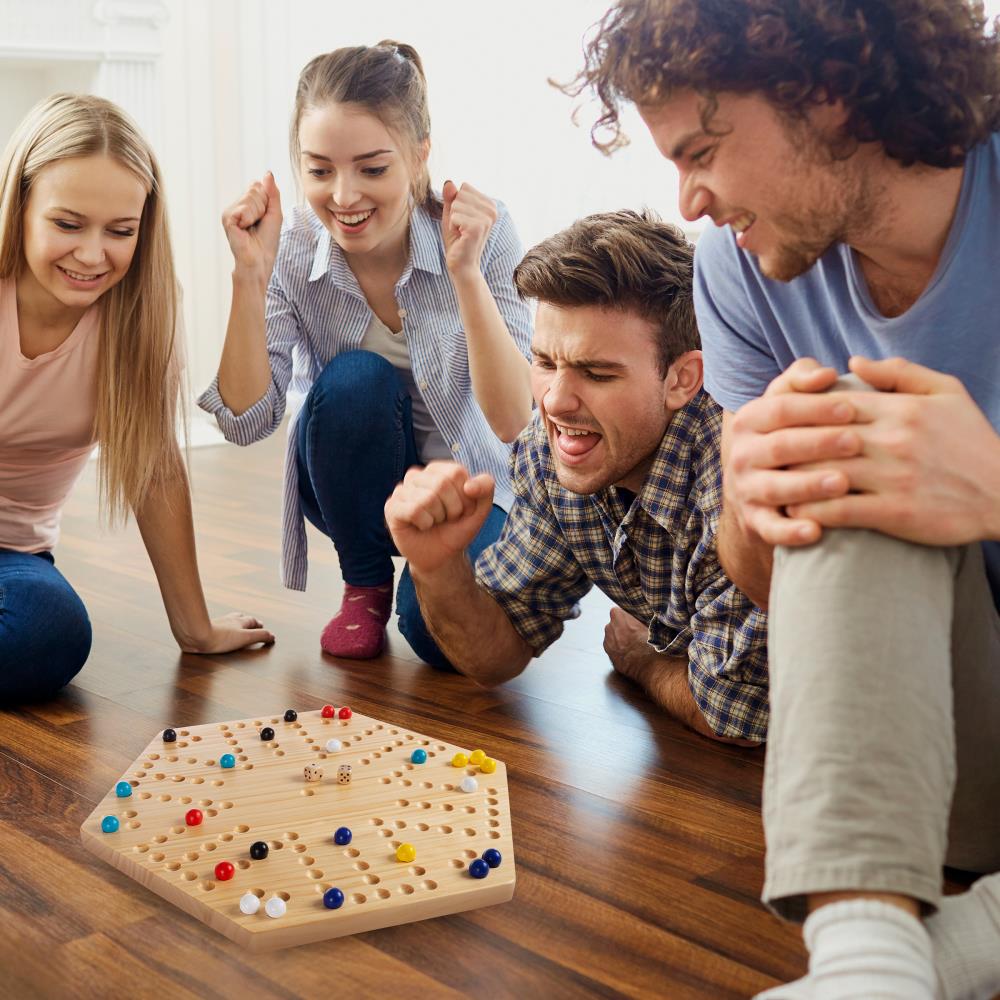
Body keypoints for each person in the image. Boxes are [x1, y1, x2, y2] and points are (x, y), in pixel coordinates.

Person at [568, 1, 1000, 997]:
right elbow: (772, 590)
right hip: (947, 755)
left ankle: (940, 952)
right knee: (832, 431)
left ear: (829, 92)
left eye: (704, 149)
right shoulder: (739, 268)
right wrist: (749, 505)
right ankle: (864, 957)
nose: (687, 199)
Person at [199, 41, 533, 664]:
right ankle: (366, 580)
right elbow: (246, 422)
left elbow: (515, 418)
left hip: (469, 483)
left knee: (439, 642)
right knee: (354, 379)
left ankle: (419, 583)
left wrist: (466, 275)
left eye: (372, 169)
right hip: (353, 482)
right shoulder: (292, 248)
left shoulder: (484, 232)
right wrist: (251, 274)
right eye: (320, 170)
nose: (345, 196)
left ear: (419, 156)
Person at [384, 210, 768, 743]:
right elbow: (498, 655)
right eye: (544, 362)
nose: (555, 401)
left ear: (682, 379)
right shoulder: (552, 451)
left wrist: (642, 662)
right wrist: (438, 566)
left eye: (597, 372)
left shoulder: (734, 486)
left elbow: (740, 716)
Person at [0, 93, 273, 703]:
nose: (93, 255)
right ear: (19, 205)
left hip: (11, 558)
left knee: (50, 630)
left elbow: (153, 468)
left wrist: (195, 628)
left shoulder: (142, 312)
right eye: (67, 224)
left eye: (120, 231)